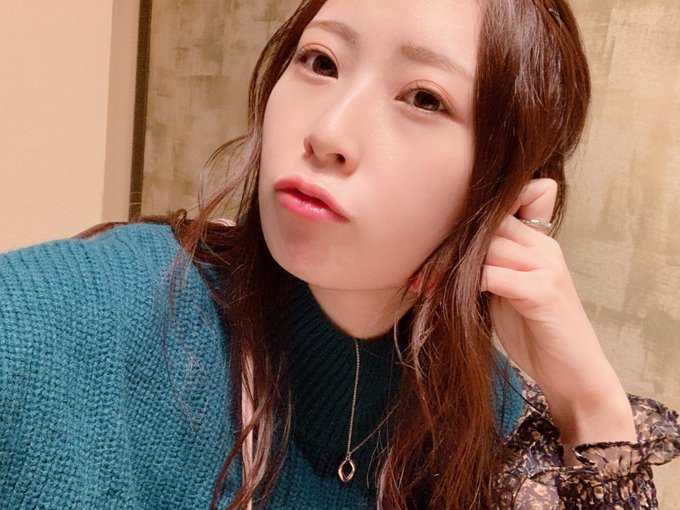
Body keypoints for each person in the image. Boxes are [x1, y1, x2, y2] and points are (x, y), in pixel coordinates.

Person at [1, 0, 678, 508]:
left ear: (509, 193)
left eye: (423, 98)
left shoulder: (500, 433)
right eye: (320, 62)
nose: (327, 132)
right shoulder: (68, 317)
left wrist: (590, 408)